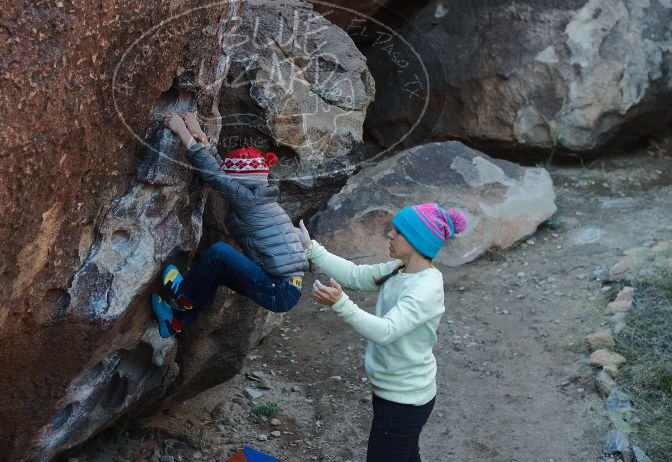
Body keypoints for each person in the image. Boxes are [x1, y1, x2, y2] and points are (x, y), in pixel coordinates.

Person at [300, 203, 467, 462]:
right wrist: (312, 249)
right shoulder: (398, 270)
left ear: (417, 240)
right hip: (395, 392)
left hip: (404, 400)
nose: (389, 235)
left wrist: (340, 304)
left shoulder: (425, 288)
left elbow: (386, 331)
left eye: (398, 232)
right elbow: (356, 275)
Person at [150, 111, 308, 337]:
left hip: (280, 288)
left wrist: (182, 132)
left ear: (242, 181)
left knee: (219, 253)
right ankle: (175, 322)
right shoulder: (259, 194)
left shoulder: (250, 201)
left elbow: (216, 176)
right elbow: (225, 176)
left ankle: (181, 294)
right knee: (216, 271)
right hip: (284, 288)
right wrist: (202, 137)